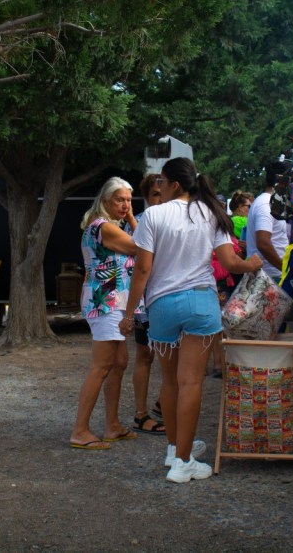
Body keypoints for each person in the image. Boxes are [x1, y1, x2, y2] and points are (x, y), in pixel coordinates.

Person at [124, 158, 262, 483]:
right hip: (201, 303)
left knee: (170, 382)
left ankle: (175, 450)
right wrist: (251, 263)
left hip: (161, 306)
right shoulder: (211, 212)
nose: (158, 188)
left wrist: (129, 313)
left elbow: (143, 270)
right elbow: (229, 262)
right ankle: (183, 461)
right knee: (191, 383)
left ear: (173, 184)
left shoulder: (153, 215)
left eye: (161, 182)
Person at [69, 177, 140, 450]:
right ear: (106, 200)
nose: (125, 205)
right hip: (105, 301)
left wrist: (131, 216)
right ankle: (80, 430)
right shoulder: (103, 227)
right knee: (101, 367)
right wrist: (134, 219)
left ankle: (112, 425)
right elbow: (142, 246)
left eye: (129, 200)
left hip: (112, 300)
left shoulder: (104, 225)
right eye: (120, 200)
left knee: (119, 362)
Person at [130, 174, 164, 435]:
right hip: (145, 301)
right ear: (146, 197)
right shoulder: (141, 222)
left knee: (172, 354)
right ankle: (141, 414)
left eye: (164, 193)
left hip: (169, 297)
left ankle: (164, 403)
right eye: (154, 194)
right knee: (146, 355)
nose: (160, 199)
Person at [246, 161, 291, 281]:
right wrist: (284, 268)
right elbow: (263, 243)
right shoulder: (266, 204)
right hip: (269, 278)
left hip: (271, 275)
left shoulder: (269, 202)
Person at [228, 190, 254, 254]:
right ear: (240, 207)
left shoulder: (229, 220)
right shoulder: (239, 221)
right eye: (249, 206)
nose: (251, 208)